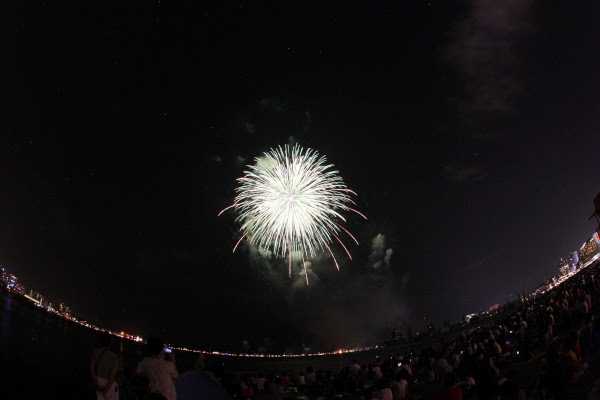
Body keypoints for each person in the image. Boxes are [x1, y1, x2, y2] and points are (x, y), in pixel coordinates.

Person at [90, 334, 120, 400]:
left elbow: (92, 368)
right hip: (109, 386)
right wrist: (106, 390)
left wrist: (95, 381)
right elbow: (112, 376)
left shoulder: (96, 352)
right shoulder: (114, 357)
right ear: (110, 343)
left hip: (97, 381)